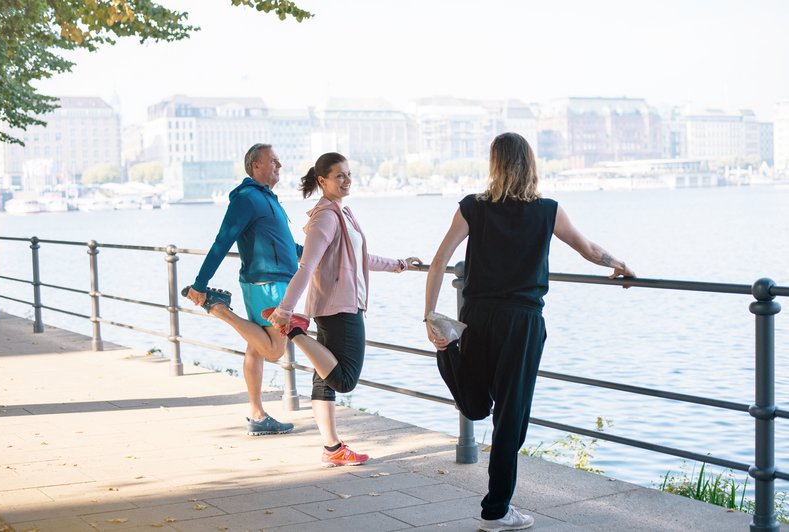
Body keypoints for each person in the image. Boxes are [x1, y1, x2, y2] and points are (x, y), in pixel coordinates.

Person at [424, 132, 636, 532]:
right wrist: (618, 263)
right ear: (530, 164)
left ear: (495, 164)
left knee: (475, 405)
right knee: (510, 417)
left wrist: (429, 316)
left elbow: (439, 261)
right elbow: (587, 248)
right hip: (521, 323)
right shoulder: (548, 211)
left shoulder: (472, 208)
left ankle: (446, 351)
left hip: (479, 317)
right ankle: (496, 510)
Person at [265, 152, 421, 467]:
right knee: (345, 379)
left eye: (348, 174)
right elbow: (307, 266)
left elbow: (360, 258)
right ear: (322, 181)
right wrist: (285, 309)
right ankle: (294, 330)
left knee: (324, 379)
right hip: (340, 308)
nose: (346, 180)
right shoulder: (325, 216)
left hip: (335, 305)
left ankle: (332, 449)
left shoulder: (342, 213)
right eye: (339, 175)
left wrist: (399, 265)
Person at [184, 143, 301, 437]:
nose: (280, 165)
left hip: (270, 279)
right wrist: (200, 285)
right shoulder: (247, 199)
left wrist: (318, 251)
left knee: (256, 346)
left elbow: (285, 245)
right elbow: (222, 241)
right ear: (256, 166)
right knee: (274, 349)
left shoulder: (267, 198)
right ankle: (220, 309)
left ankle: (257, 414)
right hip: (268, 283)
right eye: (273, 161)